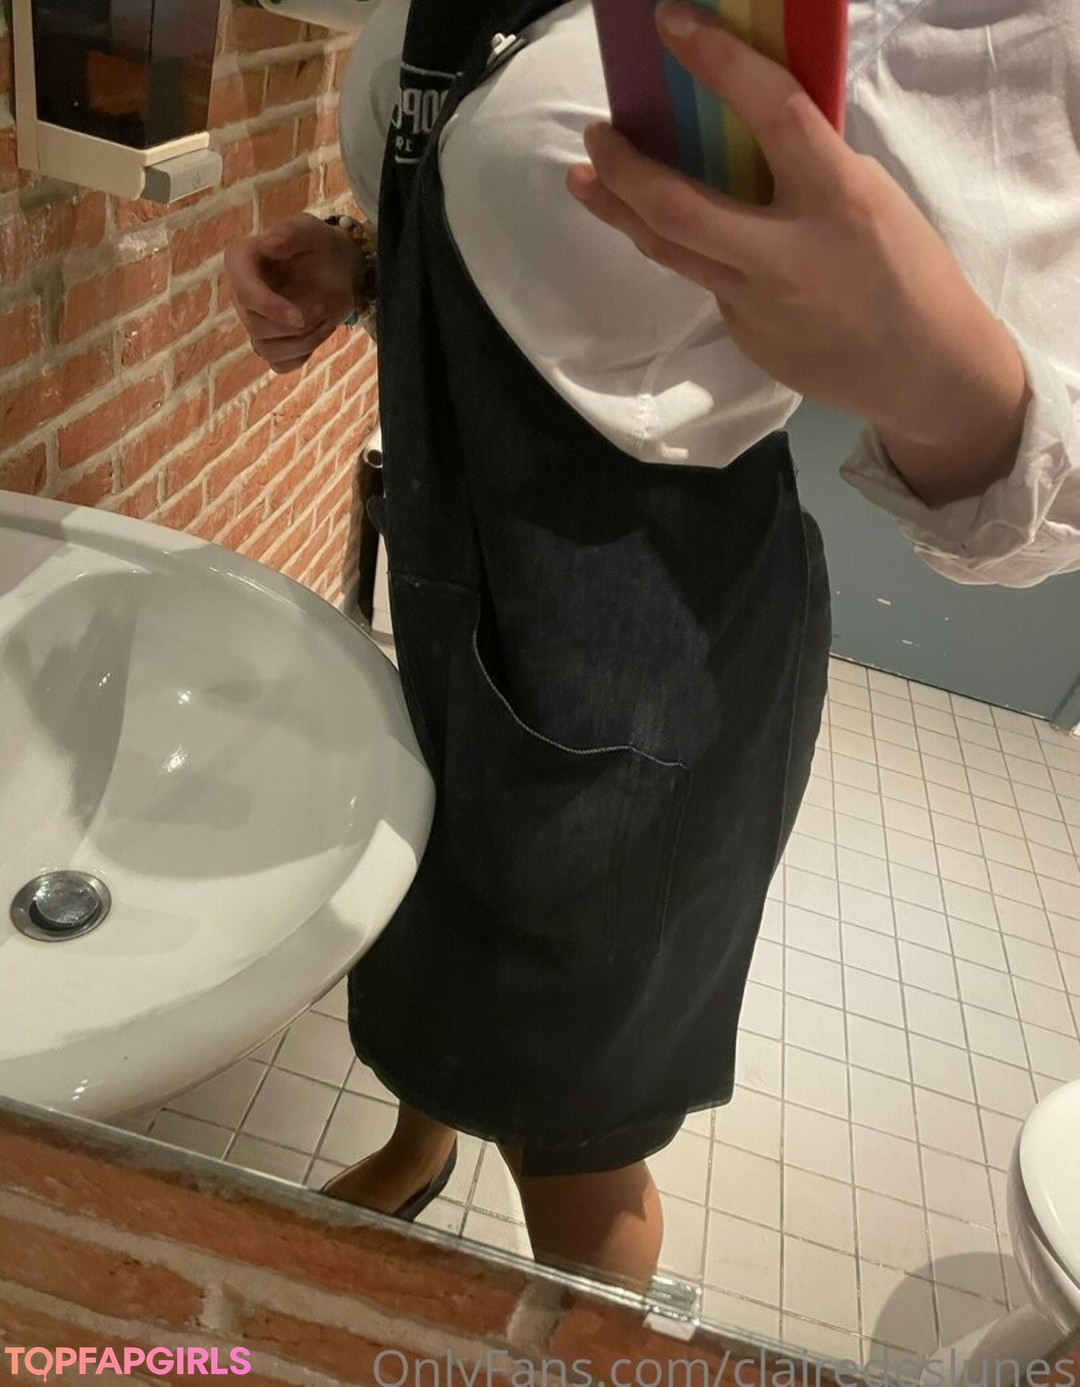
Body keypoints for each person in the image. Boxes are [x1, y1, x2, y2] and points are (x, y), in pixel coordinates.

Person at [224, 0, 1080, 1292]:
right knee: (435, 934)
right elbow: (541, 218)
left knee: (573, 1130)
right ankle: (417, 1149)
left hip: (632, 652)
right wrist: (367, 265)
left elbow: (1044, 478)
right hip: (461, 586)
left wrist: (931, 371)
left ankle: (585, 1332)